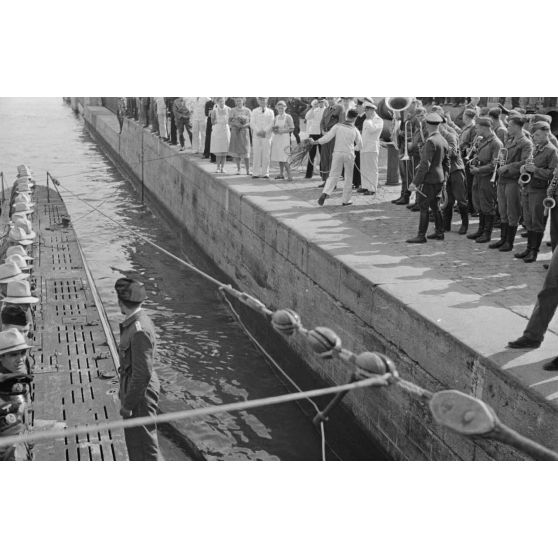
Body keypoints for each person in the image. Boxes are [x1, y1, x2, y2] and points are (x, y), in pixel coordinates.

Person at [115, 278, 162, 461]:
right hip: (134, 387)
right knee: (136, 441)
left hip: (140, 394)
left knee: (143, 444)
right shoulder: (137, 321)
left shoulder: (139, 329)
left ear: (120, 302)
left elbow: (142, 375)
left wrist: (128, 405)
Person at [514, 122, 558, 263]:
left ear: (547, 134)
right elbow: (529, 163)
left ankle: (534, 251)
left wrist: (535, 170)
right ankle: (528, 248)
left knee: (537, 221)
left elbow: (552, 173)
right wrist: (524, 169)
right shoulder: (536, 148)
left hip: (539, 190)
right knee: (529, 220)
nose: (534, 137)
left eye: (538, 134)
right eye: (533, 134)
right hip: (529, 188)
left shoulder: (551, 151)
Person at [489, 115, 533, 252]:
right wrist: (499, 162)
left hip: (513, 180)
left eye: (509, 125)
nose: (507, 127)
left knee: (512, 211)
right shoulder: (509, 140)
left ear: (516, 126)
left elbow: (526, 162)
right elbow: (504, 156)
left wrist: (508, 167)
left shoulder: (526, 143)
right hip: (503, 179)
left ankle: (509, 242)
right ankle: (503, 239)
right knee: (502, 210)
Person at [406, 112, 449, 243]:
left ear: (427, 125)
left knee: (423, 206)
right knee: (435, 206)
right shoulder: (443, 139)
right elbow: (447, 163)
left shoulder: (431, 141)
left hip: (429, 180)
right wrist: (445, 178)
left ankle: (421, 235)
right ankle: (439, 232)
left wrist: (414, 183)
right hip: (439, 178)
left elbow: (425, 165)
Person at [315, 109, 362, 207]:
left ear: (347, 116)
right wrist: (354, 149)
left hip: (337, 153)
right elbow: (360, 145)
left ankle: (326, 192)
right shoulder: (355, 130)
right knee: (348, 178)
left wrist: (316, 142)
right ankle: (346, 200)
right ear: (355, 118)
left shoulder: (337, 126)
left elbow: (327, 138)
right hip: (349, 154)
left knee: (333, 175)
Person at [466, 117, 503, 243]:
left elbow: (495, 164)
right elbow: (480, 155)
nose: (475, 129)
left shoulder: (496, 143)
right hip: (479, 176)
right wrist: (474, 160)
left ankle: (487, 234)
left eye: (476, 127)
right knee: (480, 204)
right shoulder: (483, 140)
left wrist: (479, 170)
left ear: (484, 128)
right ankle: (481, 230)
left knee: (488, 205)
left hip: (487, 178)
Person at [0, 329, 33, 461]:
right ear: (1, 357)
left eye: (23, 352)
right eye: (14, 354)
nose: (20, 359)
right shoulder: (5, 391)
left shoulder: (14, 382)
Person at [439, 115, 469, 235]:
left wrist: (438, 151)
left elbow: (454, 153)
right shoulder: (436, 137)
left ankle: (465, 225)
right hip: (446, 171)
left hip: (456, 170)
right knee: (448, 200)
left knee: (461, 199)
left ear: (442, 124)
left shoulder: (449, 135)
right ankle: (446, 225)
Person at [318, 98, 346, 187]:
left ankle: (333, 183)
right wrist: (322, 130)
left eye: (332, 98)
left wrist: (332, 132)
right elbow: (322, 122)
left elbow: (341, 123)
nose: (330, 100)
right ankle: (326, 180)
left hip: (334, 136)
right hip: (325, 135)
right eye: (328, 98)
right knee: (324, 158)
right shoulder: (326, 109)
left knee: (333, 158)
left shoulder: (340, 108)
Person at [358, 100, 383, 195]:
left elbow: (373, 131)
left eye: (367, 110)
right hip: (364, 147)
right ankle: (365, 186)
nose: (365, 112)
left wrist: (368, 121)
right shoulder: (366, 120)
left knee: (372, 169)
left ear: (372, 110)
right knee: (364, 168)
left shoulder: (378, 120)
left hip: (372, 148)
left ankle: (372, 188)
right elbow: (364, 135)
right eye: (365, 110)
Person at [460, 108, 478, 215]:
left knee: (470, 184)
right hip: (463, 156)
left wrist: (464, 146)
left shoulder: (473, 128)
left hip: (469, 157)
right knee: (467, 183)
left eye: (464, 115)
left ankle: (472, 207)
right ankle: (469, 205)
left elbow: (472, 144)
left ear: (466, 117)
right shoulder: (466, 127)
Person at [250, 97, 275, 179]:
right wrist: (258, 131)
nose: (262, 101)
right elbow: (252, 123)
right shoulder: (254, 111)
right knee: (256, 154)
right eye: (260, 100)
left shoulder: (271, 111)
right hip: (257, 135)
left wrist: (264, 131)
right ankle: (255, 173)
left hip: (267, 135)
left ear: (266, 100)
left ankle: (265, 173)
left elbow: (272, 123)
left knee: (266, 154)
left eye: (264, 99)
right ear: (258, 101)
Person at [270, 101, 295, 181]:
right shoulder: (276, 117)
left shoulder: (288, 117)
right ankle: (281, 174)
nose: (280, 109)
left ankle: (290, 176)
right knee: (279, 157)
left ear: (285, 107)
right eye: (279, 108)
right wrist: (274, 130)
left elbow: (292, 128)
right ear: (277, 108)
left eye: (282, 107)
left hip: (284, 138)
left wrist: (282, 131)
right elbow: (274, 127)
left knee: (285, 157)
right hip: (277, 139)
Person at [228, 98, 251, 175]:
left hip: (244, 132)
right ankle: (239, 169)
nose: (238, 102)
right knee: (237, 151)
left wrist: (244, 125)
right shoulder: (232, 110)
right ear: (235, 102)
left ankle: (248, 170)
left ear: (243, 101)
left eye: (240, 100)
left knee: (246, 151)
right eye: (237, 101)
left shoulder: (248, 110)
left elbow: (251, 122)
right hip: (235, 132)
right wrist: (236, 124)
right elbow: (229, 121)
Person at [304, 98, 326, 179]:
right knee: (311, 154)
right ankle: (308, 174)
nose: (320, 103)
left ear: (324, 102)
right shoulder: (314, 110)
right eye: (318, 102)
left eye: (321, 102)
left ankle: (322, 174)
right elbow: (307, 117)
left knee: (322, 154)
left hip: (321, 134)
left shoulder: (326, 110)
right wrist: (313, 107)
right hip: (313, 134)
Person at [210, 98, 231, 173]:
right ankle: (218, 167)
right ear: (217, 102)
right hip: (217, 130)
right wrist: (216, 121)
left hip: (225, 130)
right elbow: (212, 121)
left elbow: (231, 120)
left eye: (223, 101)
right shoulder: (214, 110)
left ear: (224, 101)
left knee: (224, 150)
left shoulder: (229, 109)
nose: (221, 102)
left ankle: (223, 167)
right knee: (218, 150)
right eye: (220, 101)